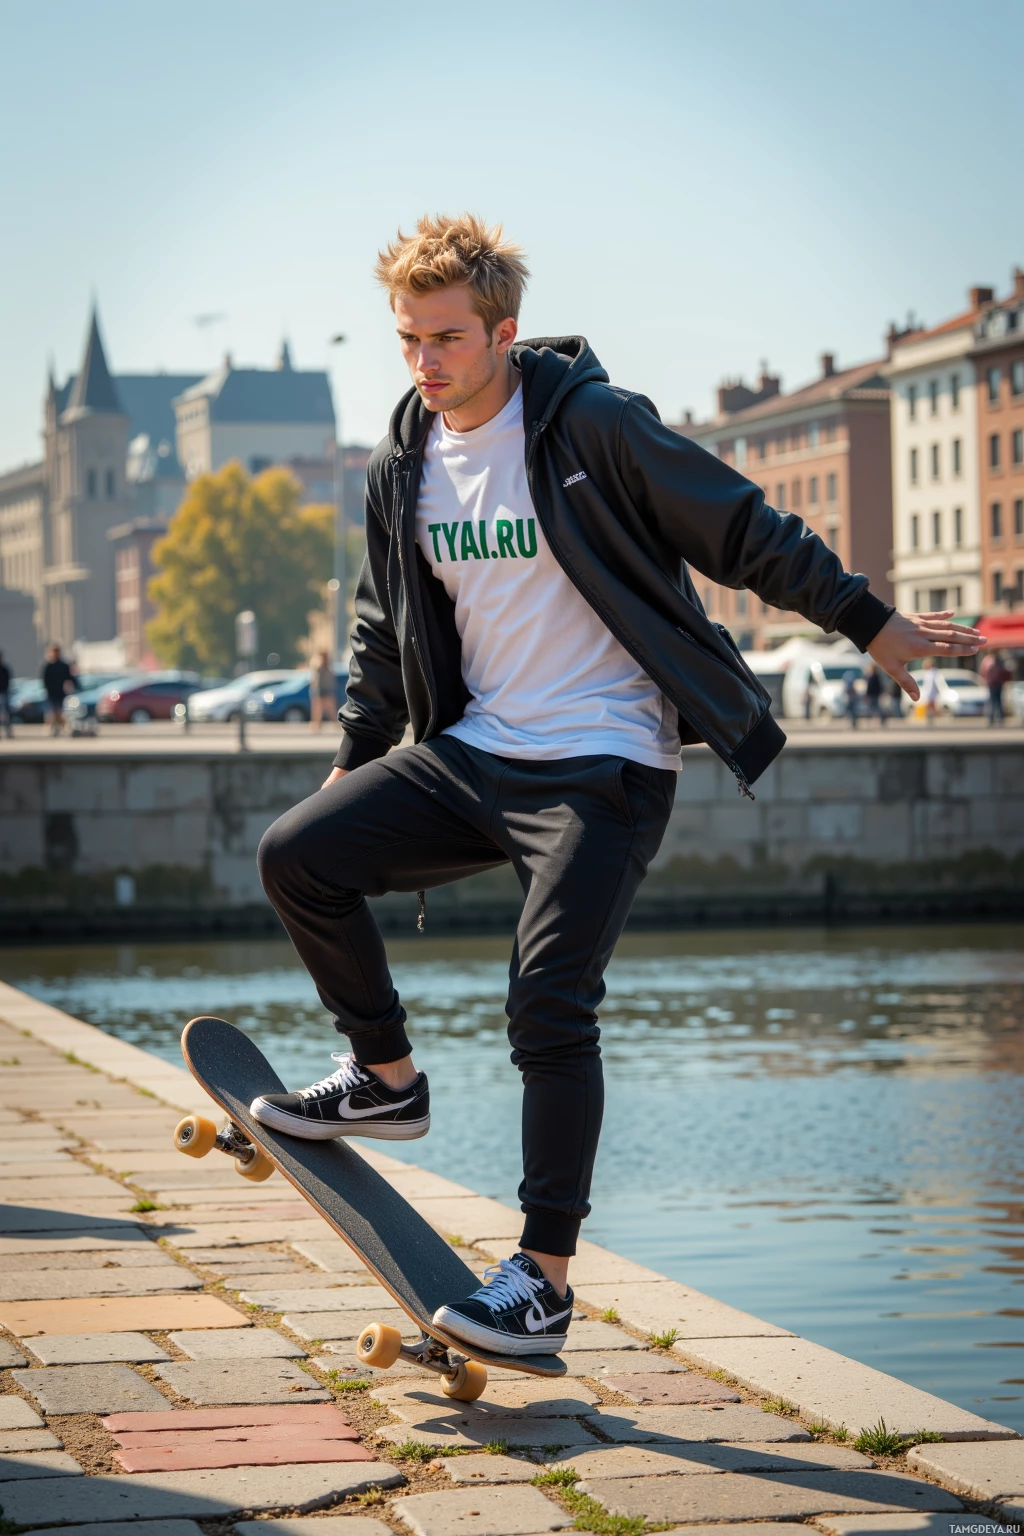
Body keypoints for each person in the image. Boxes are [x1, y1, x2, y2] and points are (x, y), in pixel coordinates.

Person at [251, 214, 986, 1358]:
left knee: (547, 1003)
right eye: (407, 339)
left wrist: (868, 621)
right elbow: (383, 620)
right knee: (297, 854)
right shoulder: (404, 452)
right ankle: (386, 1078)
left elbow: (740, 525)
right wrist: (361, 748)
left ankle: (540, 1279)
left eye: (446, 338)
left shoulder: (591, 424)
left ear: (503, 331)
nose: (425, 363)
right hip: (476, 751)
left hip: (603, 763)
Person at [41, 644, 76, 735]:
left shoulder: (63, 665)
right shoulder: (48, 666)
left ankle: (61, 728)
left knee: (59, 712)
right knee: (52, 712)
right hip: (51, 693)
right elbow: (45, 680)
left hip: (60, 693)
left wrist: (76, 686)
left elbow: (69, 677)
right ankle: (53, 728)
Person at [981, 650, 1011, 726]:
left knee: (993, 701)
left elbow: (983, 672)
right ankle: (998, 718)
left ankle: (993, 719)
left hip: (993, 683)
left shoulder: (987, 660)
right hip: (996, 683)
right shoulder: (997, 661)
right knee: (997, 701)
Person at [309, 650, 337, 732]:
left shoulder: (328, 666)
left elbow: (330, 679)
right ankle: (317, 724)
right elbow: (315, 678)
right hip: (319, 690)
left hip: (327, 690)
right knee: (317, 709)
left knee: (330, 709)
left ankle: (336, 723)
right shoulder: (318, 665)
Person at [920, 656, 941, 722]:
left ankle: (934, 717)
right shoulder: (928, 672)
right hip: (929, 693)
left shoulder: (932, 673)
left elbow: (931, 685)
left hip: (930, 693)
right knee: (930, 707)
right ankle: (931, 717)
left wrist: (928, 694)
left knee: (931, 706)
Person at [0, 651, 12, 738]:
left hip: (3, 693)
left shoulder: (4, 669)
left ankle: (8, 732)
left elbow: (7, 681)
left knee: (6, 714)